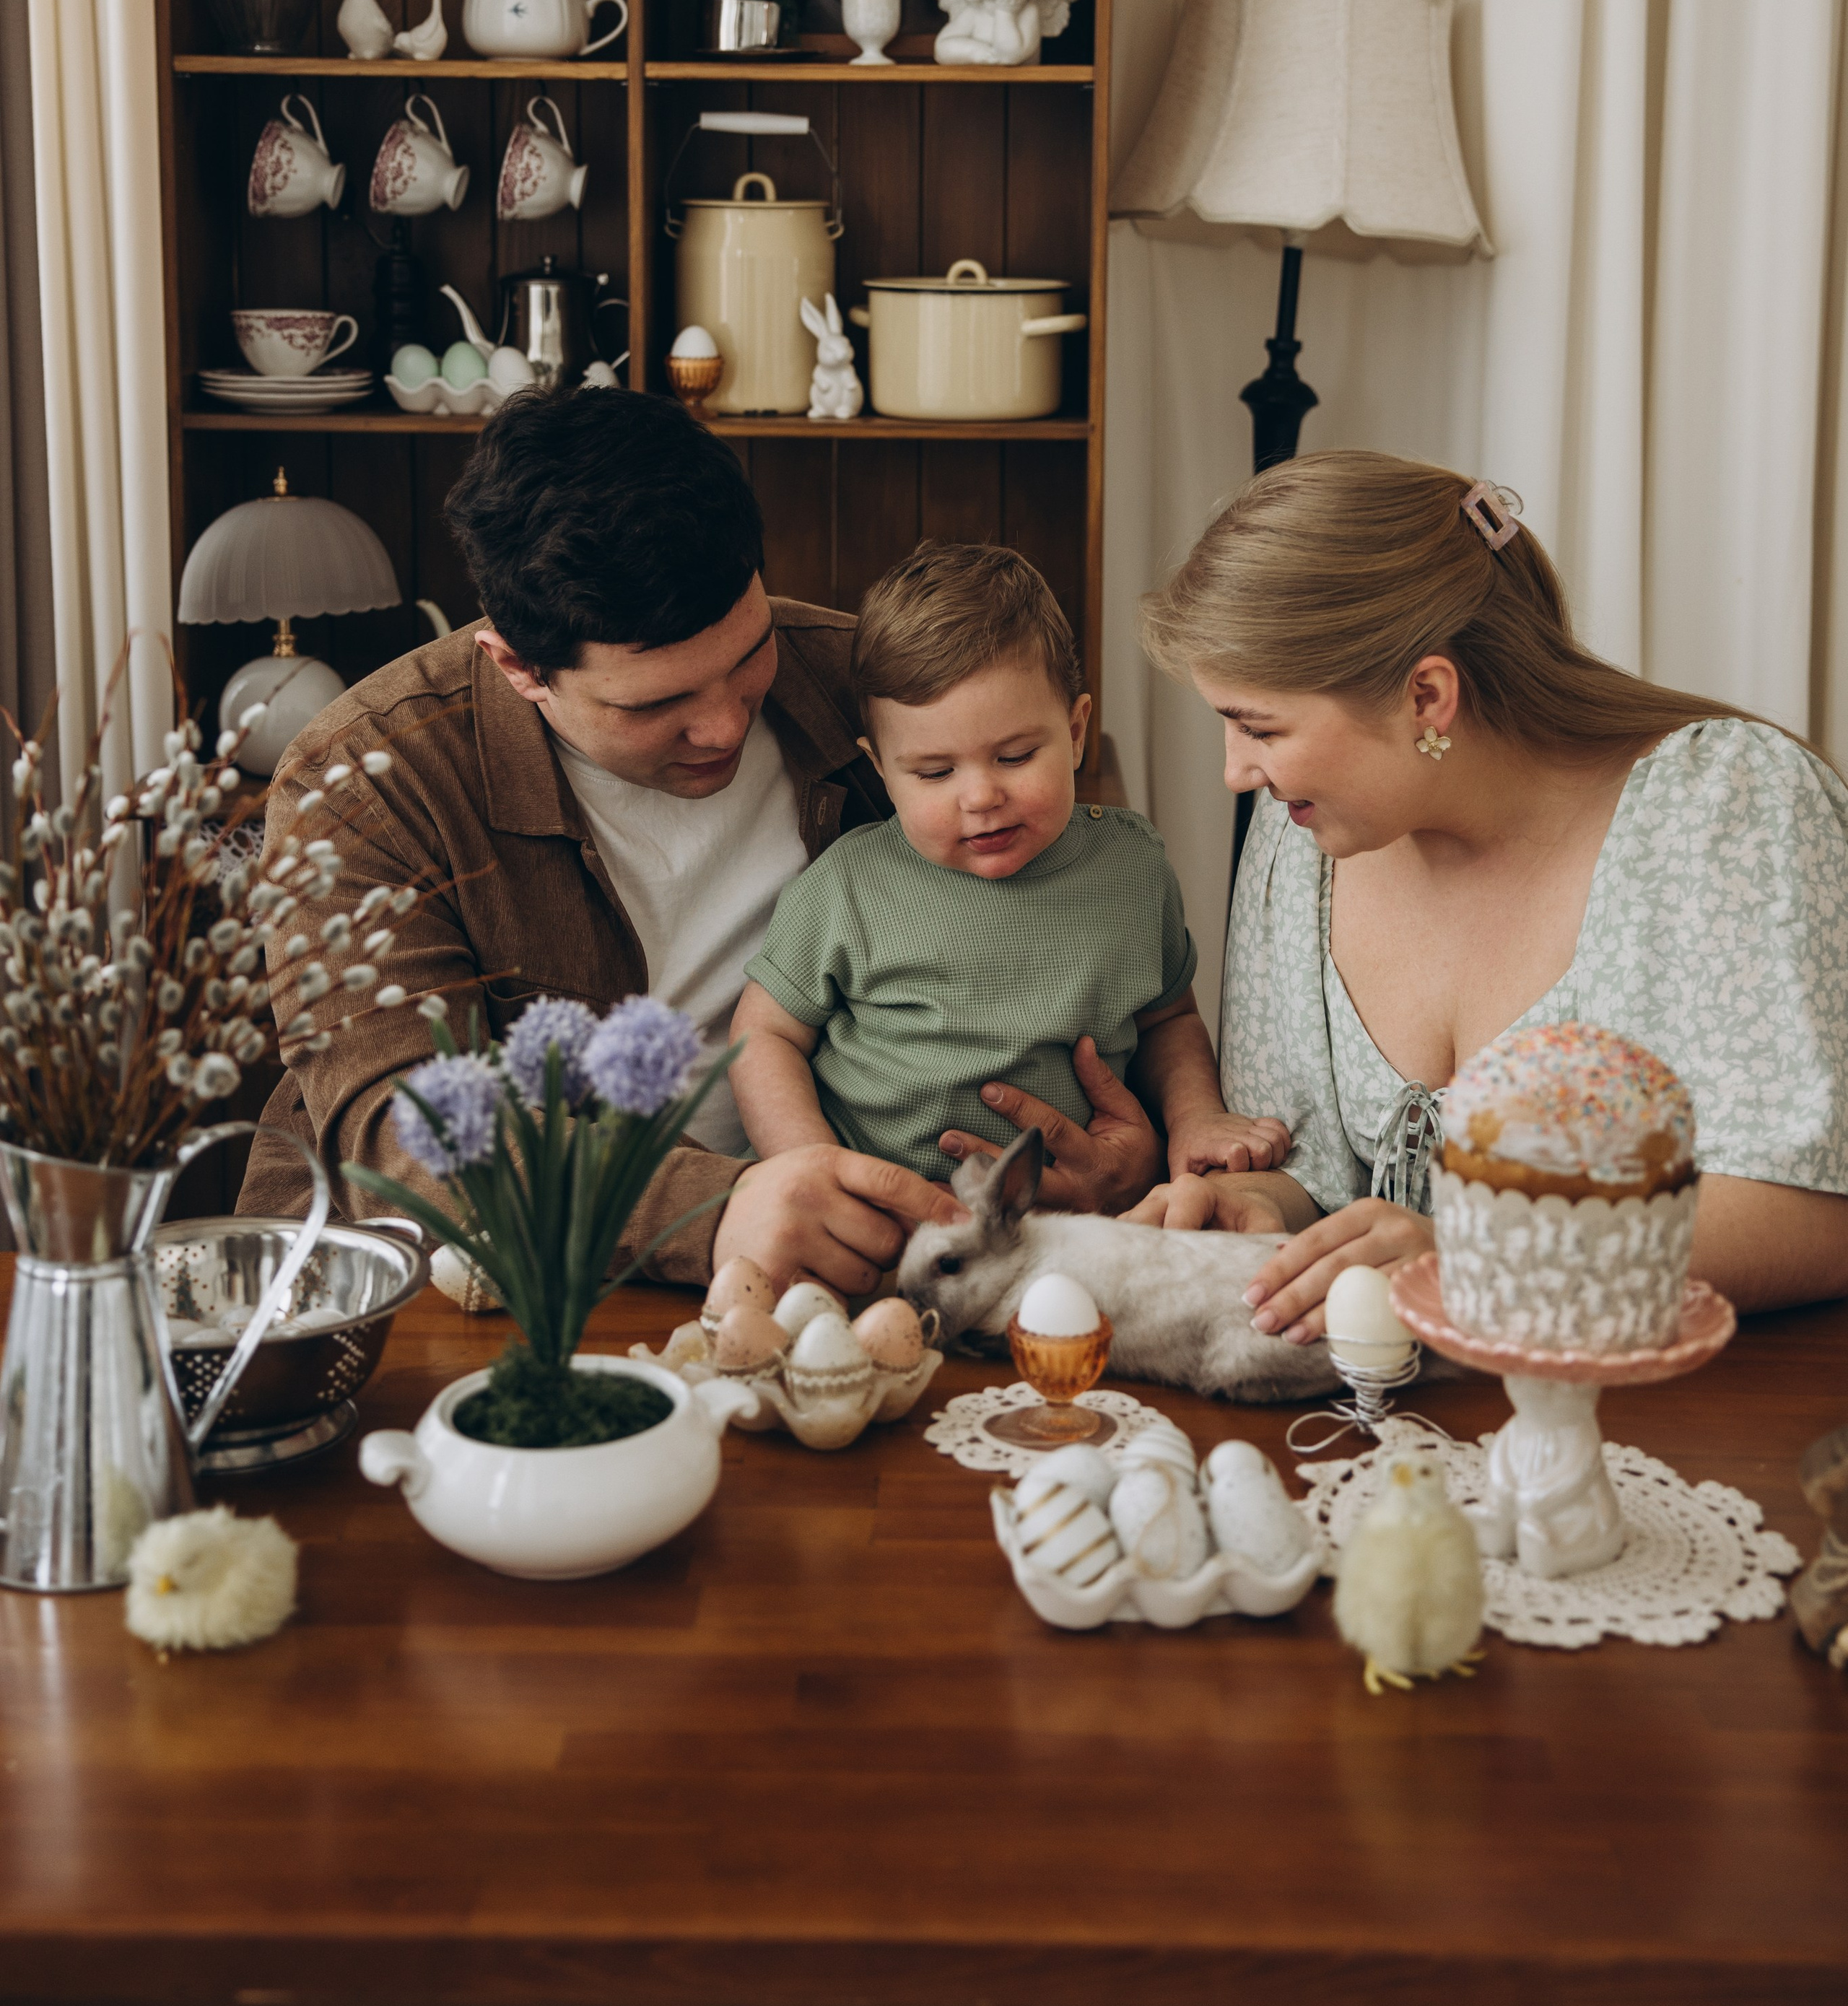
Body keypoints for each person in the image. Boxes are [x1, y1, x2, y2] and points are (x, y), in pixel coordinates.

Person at [237, 385, 962, 1294]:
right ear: (516, 667)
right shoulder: (361, 780)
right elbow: (400, 1124)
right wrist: (716, 1208)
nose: (725, 727)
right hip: (481, 1290)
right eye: (655, 704)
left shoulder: (870, 685)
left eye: (747, 657)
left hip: (847, 1266)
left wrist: (1113, 1136)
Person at [1117, 448, 1848, 1338]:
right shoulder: (1305, 835)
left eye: (1258, 726)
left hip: (1686, 1425)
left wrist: (1472, 1257)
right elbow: (1321, 1180)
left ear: (1426, 694)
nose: (1236, 772)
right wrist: (1260, 1204)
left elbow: (1816, 1217)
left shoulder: (1730, 807)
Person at [729, 542, 1282, 1183]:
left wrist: (1198, 1119)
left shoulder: (1132, 867)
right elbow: (764, 1036)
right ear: (881, 768)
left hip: (1072, 1210)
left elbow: (1170, 1021)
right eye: (935, 771)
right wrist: (812, 1166)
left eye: (1015, 756)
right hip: (880, 1209)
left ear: (1076, 732)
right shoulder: (848, 884)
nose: (982, 797)